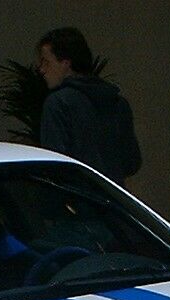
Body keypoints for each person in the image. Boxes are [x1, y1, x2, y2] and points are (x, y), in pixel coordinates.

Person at [35, 28, 141, 184]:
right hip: (113, 200)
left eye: (46, 62)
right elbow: (132, 163)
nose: (41, 69)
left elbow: (55, 166)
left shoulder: (58, 103)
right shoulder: (117, 103)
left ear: (65, 63)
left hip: (78, 200)